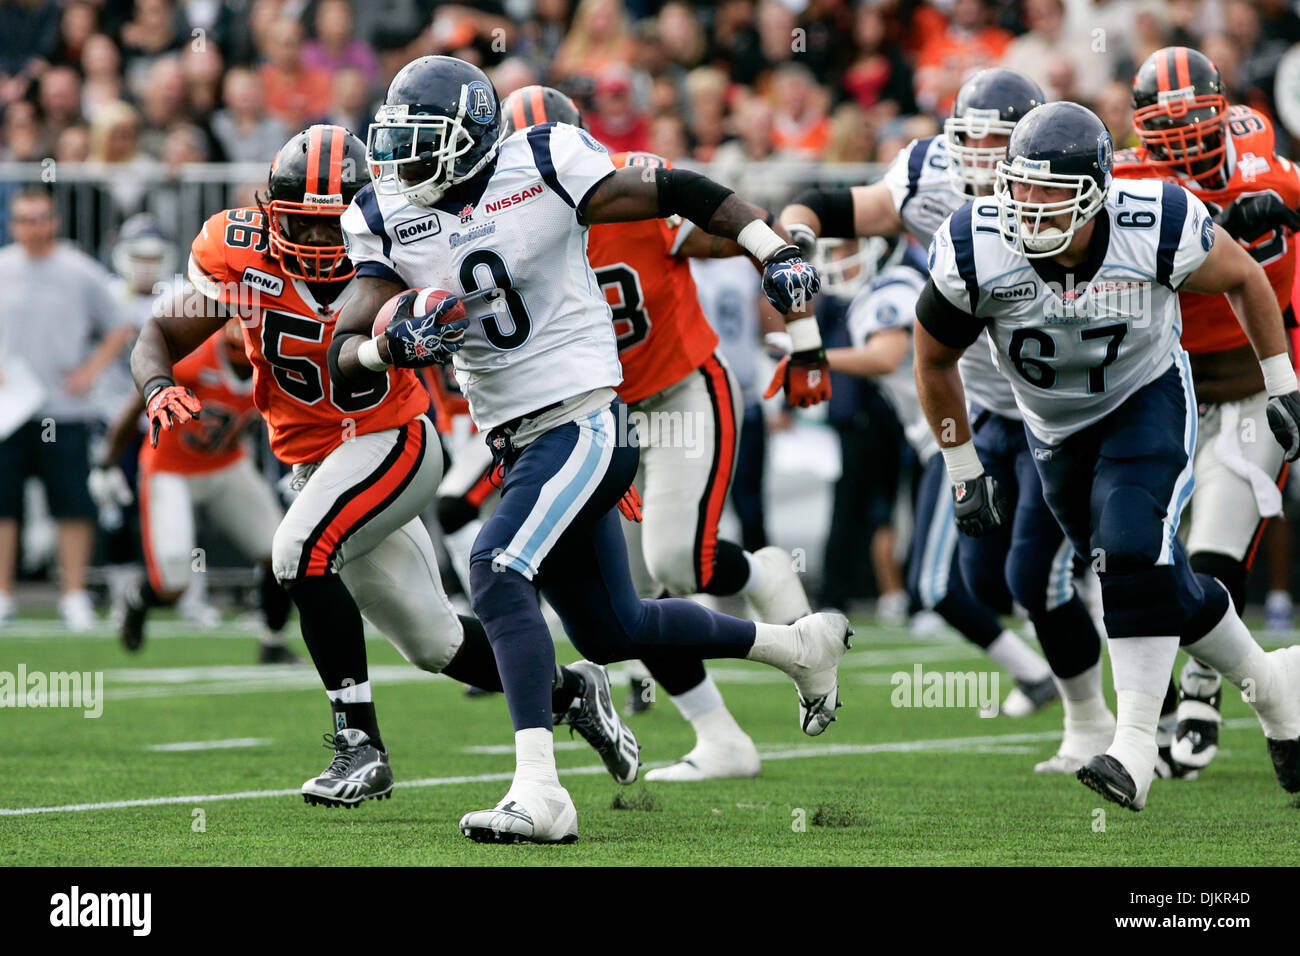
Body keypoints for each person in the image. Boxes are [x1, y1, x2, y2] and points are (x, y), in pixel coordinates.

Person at [331, 56, 851, 844]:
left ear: (470, 138)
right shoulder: (383, 213)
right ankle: (797, 646)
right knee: (614, 630)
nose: (401, 161)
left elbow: (677, 188)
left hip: (582, 417)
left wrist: (769, 247)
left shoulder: (542, 161)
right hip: (514, 438)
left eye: (421, 141)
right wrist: (388, 345)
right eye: (395, 141)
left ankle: (540, 792)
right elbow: (344, 347)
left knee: (498, 568)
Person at [130, 124, 642, 809]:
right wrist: (157, 385)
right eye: (300, 227)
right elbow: (159, 331)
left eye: (328, 227)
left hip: (395, 439)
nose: (315, 245)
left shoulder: (397, 242)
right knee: (435, 643)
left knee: (298, 553)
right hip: (317, 465)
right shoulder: (239, 251)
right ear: (272, 214)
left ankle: (359, 747)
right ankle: (570, 690)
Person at [914, 100, 1300, 811]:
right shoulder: (977, 242)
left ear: (1097, 191)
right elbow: (932, 357)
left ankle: (1131, 750)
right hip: (1053, 429)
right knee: (1148, 575)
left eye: (1051, 194)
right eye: (1021, 188)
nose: (1031, 210)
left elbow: (1245, 276)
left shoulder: (1151, 220)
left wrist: (1281, 382)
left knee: (1128, 546)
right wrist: (962, 467)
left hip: (1146, 400)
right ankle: (1276, 689)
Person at [498, 85, 814, 783]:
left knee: (679, 561)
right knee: (626, 612)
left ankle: (763, 573)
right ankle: (721, 738)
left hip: (678, 390)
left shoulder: (626, 194)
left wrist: (802, 319)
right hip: (588, 418)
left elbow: (724, 230)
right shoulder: (496, 226)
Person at [781, 70, 1088, 737]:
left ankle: (1149, 694)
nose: (978, 156)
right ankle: (1066, 686)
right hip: (978, 412)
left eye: (996, 142)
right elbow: (823, 203)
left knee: (1082, 565)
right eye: (967, 140)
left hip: (1073, 402)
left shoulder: (1064, 186)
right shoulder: (927, 176)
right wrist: (791, 244)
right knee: (999, 577)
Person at [1114, 46, 1300, 778]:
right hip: (1173, 386)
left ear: (1223, 108)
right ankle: (1189, 694)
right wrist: (1223, 216)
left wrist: (1284, 208)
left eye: (1196, 118)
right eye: (1168, 123)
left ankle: (1201, 688)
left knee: (1220, 542)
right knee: (1150, 550)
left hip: (1260, 377)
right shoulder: (1132, 179)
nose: (1187, 136)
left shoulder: (1263, 156)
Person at [95, 317, 296, 662]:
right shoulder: (193, 363)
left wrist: (300, 464)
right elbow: (134, 407)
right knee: (173, 584)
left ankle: (272, 640)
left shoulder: (277, 366)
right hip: (169, 469)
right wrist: (106, 464)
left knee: (284, 553)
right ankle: (137, 598)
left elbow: (297, 416)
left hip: (227, 464)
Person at [0, 186, 135, 630]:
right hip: (10, 410)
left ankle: (73, 594)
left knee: (73, 505)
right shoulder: (3, 267)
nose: (33, 227)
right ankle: (3, 595)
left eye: (41, 218)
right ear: (13, 224)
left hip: (65, 409)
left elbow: (119, 324)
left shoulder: (78, 269)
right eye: (24, 219)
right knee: (5, 506)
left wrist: (89, 370)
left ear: (53, 221)